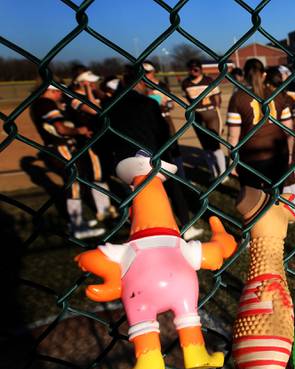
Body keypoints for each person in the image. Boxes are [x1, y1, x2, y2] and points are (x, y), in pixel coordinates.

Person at [105, 66, 202, 239]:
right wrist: (169, 152)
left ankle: (142, 231)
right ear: (141, 82)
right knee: (172, 189)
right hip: (153, 155)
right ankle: (185, 228)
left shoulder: (109, 105)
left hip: (124, 159)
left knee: (137, 197)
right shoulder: (148, 103)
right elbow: (162, 131)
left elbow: (105, 135)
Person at [29, 84, 105, 239]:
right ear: (50, 91)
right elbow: (61, 129)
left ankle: (77, 222)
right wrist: (78, 131)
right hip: (60, 147)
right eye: (58, 91)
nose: (60, 95)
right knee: (75, 183)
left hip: (62, 148)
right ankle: (77, 225)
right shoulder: (45, 103)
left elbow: (92, 110)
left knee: (76, 182)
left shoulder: (44, 103)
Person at [226, 60, 295, 192]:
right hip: (278, 154)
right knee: (275, 197)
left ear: (245, 75)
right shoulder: (278, 95)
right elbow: (289, 130)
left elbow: (233, 136)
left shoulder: (238, 97)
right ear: (264, 74)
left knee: (255, 202)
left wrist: (232, 162)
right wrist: (289, 156)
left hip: (251, 156)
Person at [66, 66, 118, 222]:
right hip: (88, 141)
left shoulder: (92, 94)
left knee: (103, 172)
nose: (94, 85)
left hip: (99, 138)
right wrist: (88, 89)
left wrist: (92, 90)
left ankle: (107, 206)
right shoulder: (74, 97)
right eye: (89, 82)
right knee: (97, 174)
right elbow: (93, 110)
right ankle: (102, 210)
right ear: (82, 82)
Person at [143, 60, 187, 183]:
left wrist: (165, 104)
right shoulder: (140, 87)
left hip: (164, 117)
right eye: (143, 73)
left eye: (148, 72)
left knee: (174, 147)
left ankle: (181, 176)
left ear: (154, 72)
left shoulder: (162, 86)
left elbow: (171, 104)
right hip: (147, 121)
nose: (145, 75)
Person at [181, 59, 226, 179]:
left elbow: (217, 97)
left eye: (196, 68)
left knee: (215, 144)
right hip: (197, 115)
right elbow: (189, 100)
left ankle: (223, 173)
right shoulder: (186, 83)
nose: (194, 70)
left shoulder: (208, 80)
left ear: (201, 68)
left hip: (211, 114)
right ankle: (213, 172)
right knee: (205, 146)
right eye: (191, 68)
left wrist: (217, 111)